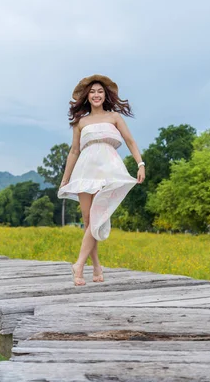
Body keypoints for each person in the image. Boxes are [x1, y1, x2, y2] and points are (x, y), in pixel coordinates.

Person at [58, 74, 145, 286]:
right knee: (89, 222)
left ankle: (78, 265)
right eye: (92, 91)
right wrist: (65, 179)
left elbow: (130, 141)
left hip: (108, 170)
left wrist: (140, 164)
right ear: (87, 96)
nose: (96, 95)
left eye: (100, 91)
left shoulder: (114, 117)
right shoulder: (80, 122)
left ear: (105, 95)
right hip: (85, 171)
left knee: (97, 219)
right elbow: (74, 151)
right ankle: (96, 266)